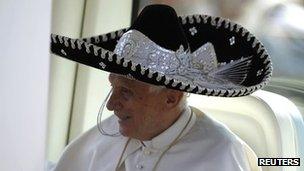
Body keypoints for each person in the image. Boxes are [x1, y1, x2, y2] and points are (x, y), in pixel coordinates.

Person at [49, 4, 272, 171]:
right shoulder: (98, 141)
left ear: (171, 99)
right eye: (113, 86)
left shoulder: (221, 155)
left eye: (126, 92)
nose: (110, 105)